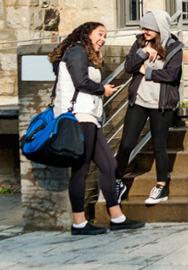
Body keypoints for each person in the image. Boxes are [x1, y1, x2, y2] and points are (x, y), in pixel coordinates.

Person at [48, 22, 145, 235]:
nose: (103, 39)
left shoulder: (85, 53)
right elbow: (81, 82)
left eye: (106, 36)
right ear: (86, 34)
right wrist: (102, 89)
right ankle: (79, 223)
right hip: (79, 118)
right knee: (81, 169)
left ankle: (117, 218)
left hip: (90, 117)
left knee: (109, 165)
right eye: (100, 34)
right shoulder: (77, 51)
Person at [114, 10, 183, 207]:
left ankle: (161, 187)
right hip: (139, 101)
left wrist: (147, 71)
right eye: (142, 27)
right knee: (126, 144)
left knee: (159, 146)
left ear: (159, 28)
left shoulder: (175, 47)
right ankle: (118, 183)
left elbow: (172, 76)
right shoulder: (139, 43)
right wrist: (143, 52)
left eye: (148, 28)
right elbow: (129, 66)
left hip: (161, 104)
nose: (144, 31)